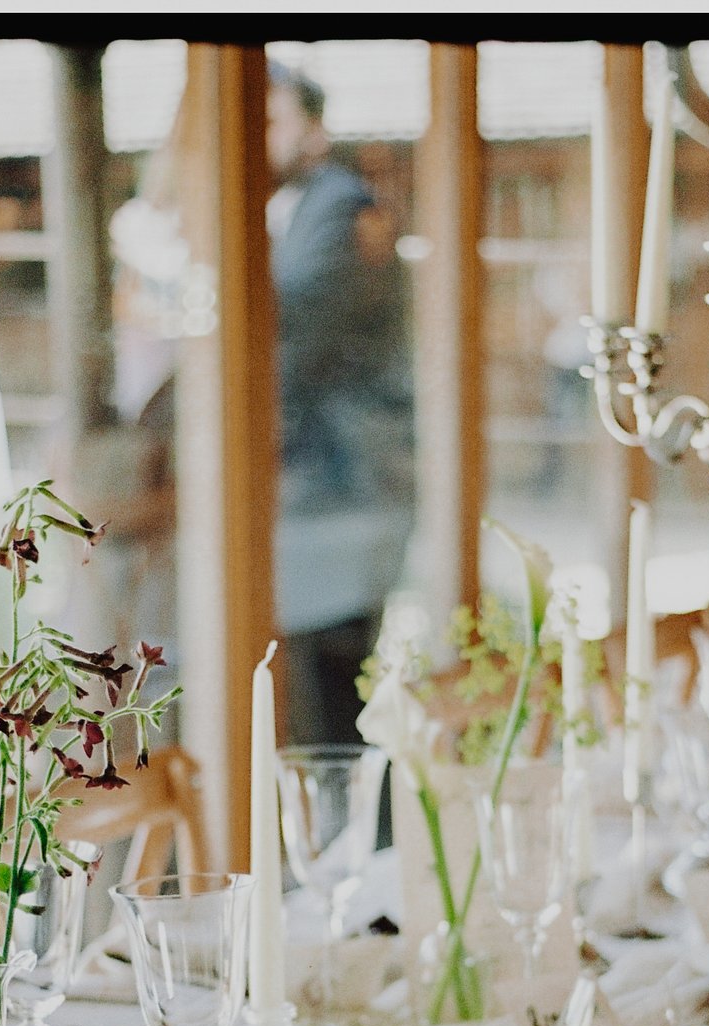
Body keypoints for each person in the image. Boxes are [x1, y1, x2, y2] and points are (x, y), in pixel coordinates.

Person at [264, 64, 415, 744]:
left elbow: (295, 341)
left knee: (335, 696)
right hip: (325, 490)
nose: (261, 138)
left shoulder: (337, 207)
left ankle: (353, 835)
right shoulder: (296, 207)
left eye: (275, 122)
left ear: (315, 130)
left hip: (343, 488)